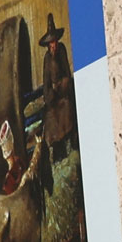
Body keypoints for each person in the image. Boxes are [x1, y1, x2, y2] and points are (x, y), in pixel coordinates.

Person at [39, 15, 77, 164]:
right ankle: (58, 152)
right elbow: (46, 83)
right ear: (48, 45)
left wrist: (62, 86)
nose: (53, 45)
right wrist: (50, 95)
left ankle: (72, 144)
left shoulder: (62, 50)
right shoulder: (46, 59)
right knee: (50, 117)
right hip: (54, 98)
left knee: (67, 108)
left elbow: (67, 74)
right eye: (51, 43)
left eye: (54, 42)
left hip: (64, 94)